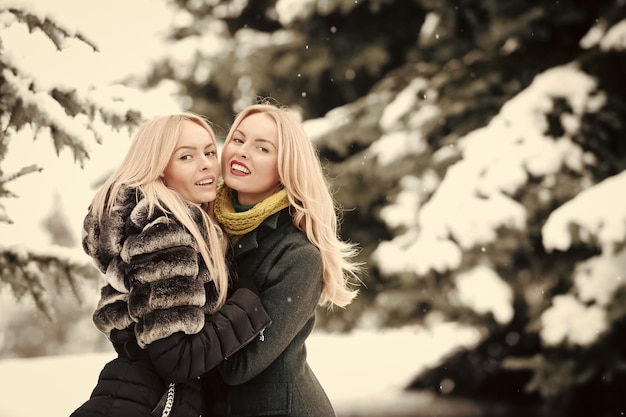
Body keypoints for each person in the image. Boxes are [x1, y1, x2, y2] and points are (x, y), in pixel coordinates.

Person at [70, 113, 271, 417]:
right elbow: (177, 360)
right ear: (160, 170)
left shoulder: (161, 230)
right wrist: (249, 303)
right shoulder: (165, 232)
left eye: (209, 152)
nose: (206, 164)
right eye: (186, 156)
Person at [205, 102, 362, 417]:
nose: (243, 152)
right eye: (238, 140)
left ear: (285, 168)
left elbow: (240, 366)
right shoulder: (203, 226)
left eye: (262, 148)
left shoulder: (298, 255)